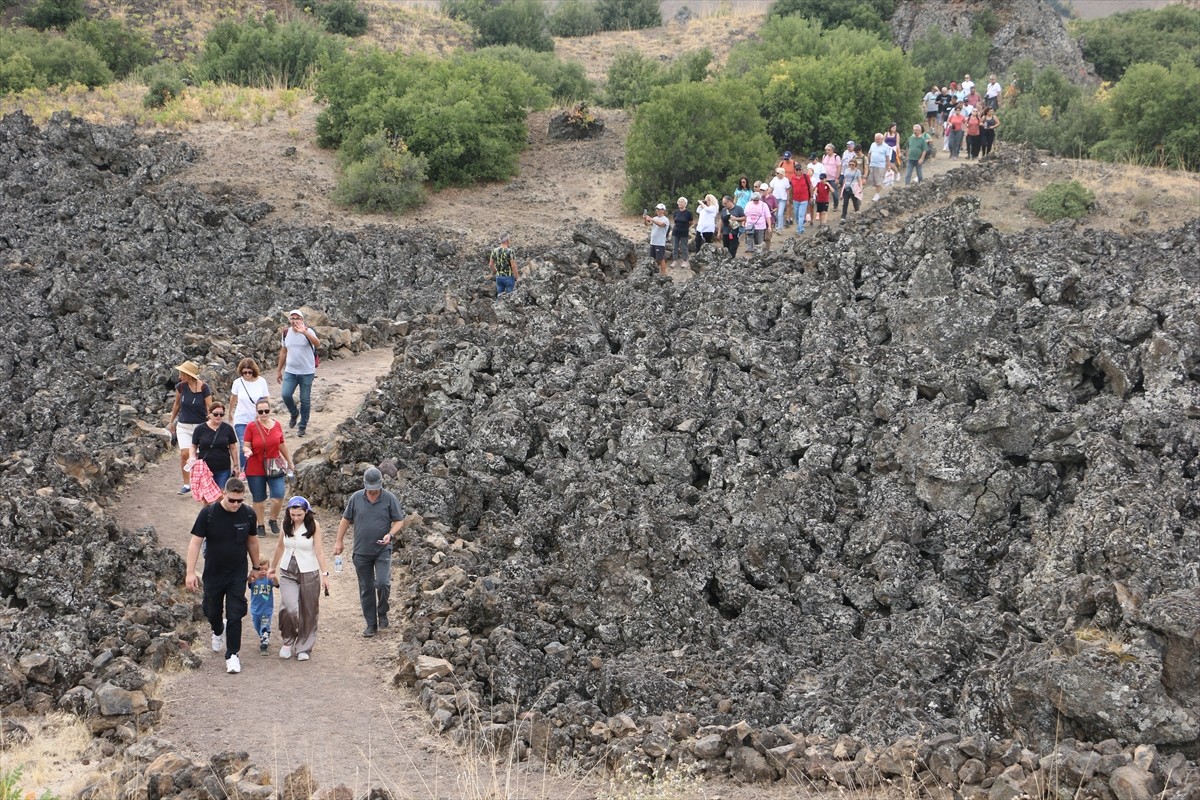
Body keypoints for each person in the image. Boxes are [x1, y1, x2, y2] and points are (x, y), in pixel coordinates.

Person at [185, 477, 261, 675]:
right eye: (232, 500)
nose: (236, 504)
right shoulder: (208, 514)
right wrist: (190, 572)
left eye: (240, 500)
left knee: (235, 613)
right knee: (211, 610)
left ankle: (233, 655)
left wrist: (255, 567)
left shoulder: (248, 514)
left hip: (237, 573)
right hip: (213, 573)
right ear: (224, 494)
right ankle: (218, 629)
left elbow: (252, 542)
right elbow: (195, 543)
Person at [335, 466, 415, 638]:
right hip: (361, 552)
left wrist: (390, 534)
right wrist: (339, 541)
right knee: (366, 588)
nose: (372, 493)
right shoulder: (356, 498)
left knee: (383, 583)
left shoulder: (389, 498)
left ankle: (383, 611)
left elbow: (399, 521)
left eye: (375, 489)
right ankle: (371, 624)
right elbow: (345, 520)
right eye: (370, 489)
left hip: (382, 550)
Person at [268, 496, 330, 661]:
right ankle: (288, 641)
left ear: (306, 513)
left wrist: (325, 574)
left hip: (309, 571)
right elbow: (280, 546)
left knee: (309, 611)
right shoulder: (285, 524)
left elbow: (319, 551)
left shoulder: (314, 526)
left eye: (299, 515)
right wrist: (272, 567)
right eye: (293, 514)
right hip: (288, 571)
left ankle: (304, 646)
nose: (295, 518)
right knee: (289, 607)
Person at [242, 398, 295, 538]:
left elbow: (281, 444)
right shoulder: (251, 426)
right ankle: (260, 525)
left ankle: (273, 520)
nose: (264, 413)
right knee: (259, 498)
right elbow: (246, 444)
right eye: (261, 411)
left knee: (278, 495)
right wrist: (247, 450)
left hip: (274, 466)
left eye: (266, 410)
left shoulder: (277, 425)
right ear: (257, 412)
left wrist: (289, 461)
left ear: (270, 410)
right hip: (255, 467)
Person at [169, 360, 212, 495]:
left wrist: (211, 424)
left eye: (182, 373)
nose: (180, 376)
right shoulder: (180, 387)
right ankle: (187, 484)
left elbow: (209, 407)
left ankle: (202, 480)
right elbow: (176, 405)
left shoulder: (204, 388)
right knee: (184, 454)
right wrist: (172, 421)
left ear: (189, 375)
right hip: (183, 426)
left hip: (200, 427)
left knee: (201, 456)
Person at [276, 310, 319, 438]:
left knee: (305, 400)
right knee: (285, 394)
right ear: (289, 320)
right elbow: (284, 352)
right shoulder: (286, 333)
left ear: (302, 319)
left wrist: (304, 332)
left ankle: (302, 425)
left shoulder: (308, 331)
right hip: (291, 371)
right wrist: (279, 370)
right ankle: (294, 413)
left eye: (297, 318)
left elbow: (317, 344)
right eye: (292, 318)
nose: (295, 320)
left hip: (307, 372)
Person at [229, 358, 269, 472]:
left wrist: (263, 413)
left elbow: (266, 399)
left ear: (254, 371)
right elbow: (233, 398)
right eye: (244, 372)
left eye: (249, 372)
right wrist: (230, 412)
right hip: (241, 418)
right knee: (243, 443)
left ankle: (256, 467)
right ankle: (243, 469)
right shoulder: (238, 382)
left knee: (257, 444)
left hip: (257, 418)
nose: (247, 375)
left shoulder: (261, 382)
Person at [189, 401, 240, 490]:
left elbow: (233, 447)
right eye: (216, 414)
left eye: (221, 414)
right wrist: (191, 457)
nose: (218, 417)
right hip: (205, 469)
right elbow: (193, 446)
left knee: (221, 496)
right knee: (206, 497)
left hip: (223, 468)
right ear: (209, 414)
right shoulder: (200, 429)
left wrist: (236, 466)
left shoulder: (228, 429)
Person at [249, 555, 277, 656]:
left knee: (265, 626)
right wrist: (250, 576)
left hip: (267, 609)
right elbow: (248, 583)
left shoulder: (269, 580)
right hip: (255, 609)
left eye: (266, 569)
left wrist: (275, 577)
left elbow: (277, 585)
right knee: (257, 626)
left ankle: (264, 643)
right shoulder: (253, 580)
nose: (263, 571)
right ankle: (262, 636)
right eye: (261, 569)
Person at [644, 203, 669, 275]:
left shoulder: (665, 219)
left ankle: (663, 273)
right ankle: (653, 271)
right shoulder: (655, 218)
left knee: (661, 258)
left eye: (659, 209)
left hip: (660, 242)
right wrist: (645, 219)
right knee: (652, 258)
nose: (658, 210)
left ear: (663, 210)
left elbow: (661, 224)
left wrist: (651, 219)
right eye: (657, 209)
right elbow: (647, 224)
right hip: (653, 242)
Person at [867, 133, 891, 202]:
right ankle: (880, 187)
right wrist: (867, 162)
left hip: (881, 166)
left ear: (882, 139)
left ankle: (877, 194)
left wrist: (888, 166)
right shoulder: (873, 144)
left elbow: (887, 157)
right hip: (872, 165)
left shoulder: (886, 146)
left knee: (878, 180)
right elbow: (869, 153)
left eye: (878, 139)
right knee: (872, 180)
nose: (876, 141)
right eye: (875, 139)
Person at [670, 197, 693, 268]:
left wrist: (686, 227)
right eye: (679, 202)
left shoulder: (688, 213)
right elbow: (675, 221)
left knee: (684, 247)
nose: (680, 203)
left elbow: (691, 222)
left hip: (684, 232)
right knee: (675, 247)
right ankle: (675, 260)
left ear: (685, 203)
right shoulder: (676, 212)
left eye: (681, 202)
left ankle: (685, 261)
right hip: (675, 231)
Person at [789, 165, 810, 234]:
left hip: (804, 198)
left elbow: (810, 186)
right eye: (797, 170)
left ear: (802, 170)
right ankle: (801, 227)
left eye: (799, 169)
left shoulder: (805, 177)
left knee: (801, 214)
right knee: (796, 214)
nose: (798, 171)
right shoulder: (793, 178)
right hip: (796, 199)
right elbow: (791, 188)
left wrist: (812, 196)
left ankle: (799, 229)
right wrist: (790, 198)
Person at [777, 151, 797, 225]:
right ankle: (785, 218)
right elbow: (778, 173)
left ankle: (788, 218)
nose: (786, 160)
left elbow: (797, 174)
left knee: (789, 202)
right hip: (782, 184)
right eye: (785, 159)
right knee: (782, 201)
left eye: (787, 159)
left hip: (791, 184)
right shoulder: (781, 163)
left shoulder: (794, 164)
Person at [821, 144, 841, 210]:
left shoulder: (836, 157)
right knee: (824, 192)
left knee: (834, 192)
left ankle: (836, 205)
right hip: (825, 178)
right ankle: (824, 205)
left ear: (832, 150)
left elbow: (839, 167)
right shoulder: (824, 156)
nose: (827, 151)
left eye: (829, 150)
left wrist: (837, 177)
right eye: (826, 150)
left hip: (833, 178)